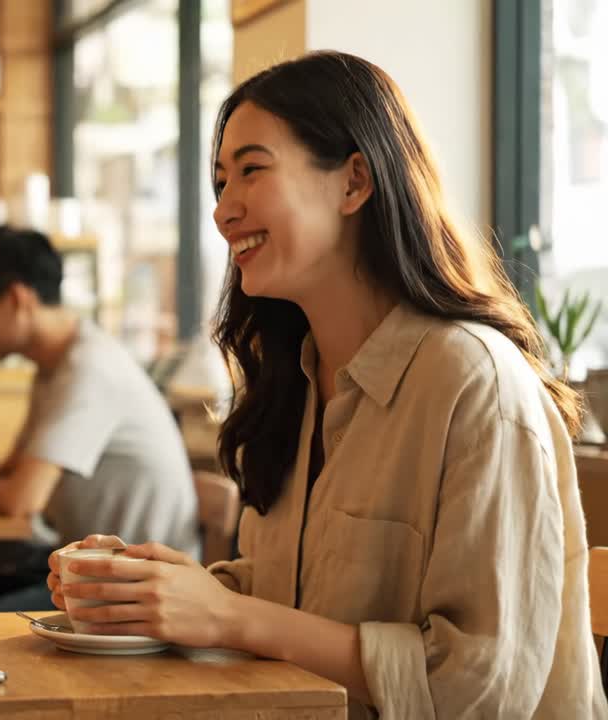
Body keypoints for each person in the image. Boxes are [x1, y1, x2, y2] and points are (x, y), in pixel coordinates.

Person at [46, 51, 608, 719]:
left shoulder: (473, 381)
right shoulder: (298, 378)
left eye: (251, 170)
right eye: (220, 181)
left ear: (354, 182)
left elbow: (481, 687)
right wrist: (152, 589)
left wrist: (227, 617)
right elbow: (288, 601)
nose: (223, 211)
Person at [0, 226, 201, 611]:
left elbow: (20, 499)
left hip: (137, 588)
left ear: (16, 298)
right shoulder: (53, 366)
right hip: (86, 572)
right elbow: (11, 471)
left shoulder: (87, 370)